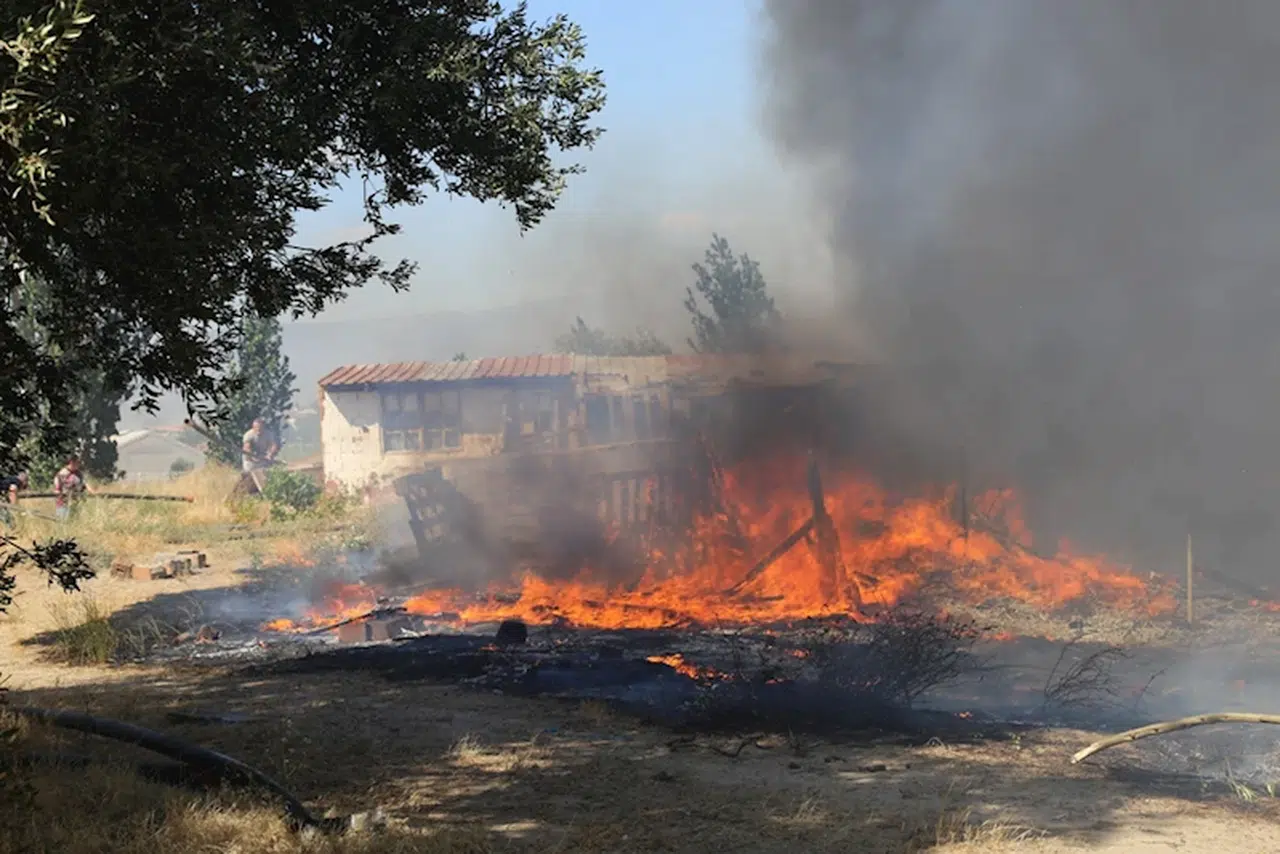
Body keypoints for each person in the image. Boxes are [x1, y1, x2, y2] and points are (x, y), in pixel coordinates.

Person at [241, 418, 279, 491]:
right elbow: (246, 448)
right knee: (249, 476)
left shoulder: (268, 434)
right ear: (253, 427)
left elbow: (274, 445)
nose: (259, 430)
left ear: (264, 427)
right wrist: (252, 457)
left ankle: (266, 490)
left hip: (263, 459)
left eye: (261, 428)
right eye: (257, 428)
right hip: (250, 460)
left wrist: (270, 454)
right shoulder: (248, 435)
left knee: (266, 474)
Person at [52, 455, 91, 521]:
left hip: (76, 502)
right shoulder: (62, 474)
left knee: (75, 522)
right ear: (71, 462)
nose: (79, 464)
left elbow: (83, 485)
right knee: (63, 522)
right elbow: (57, 489)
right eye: (77, 462)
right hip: (63, 503)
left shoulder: (79, 474)